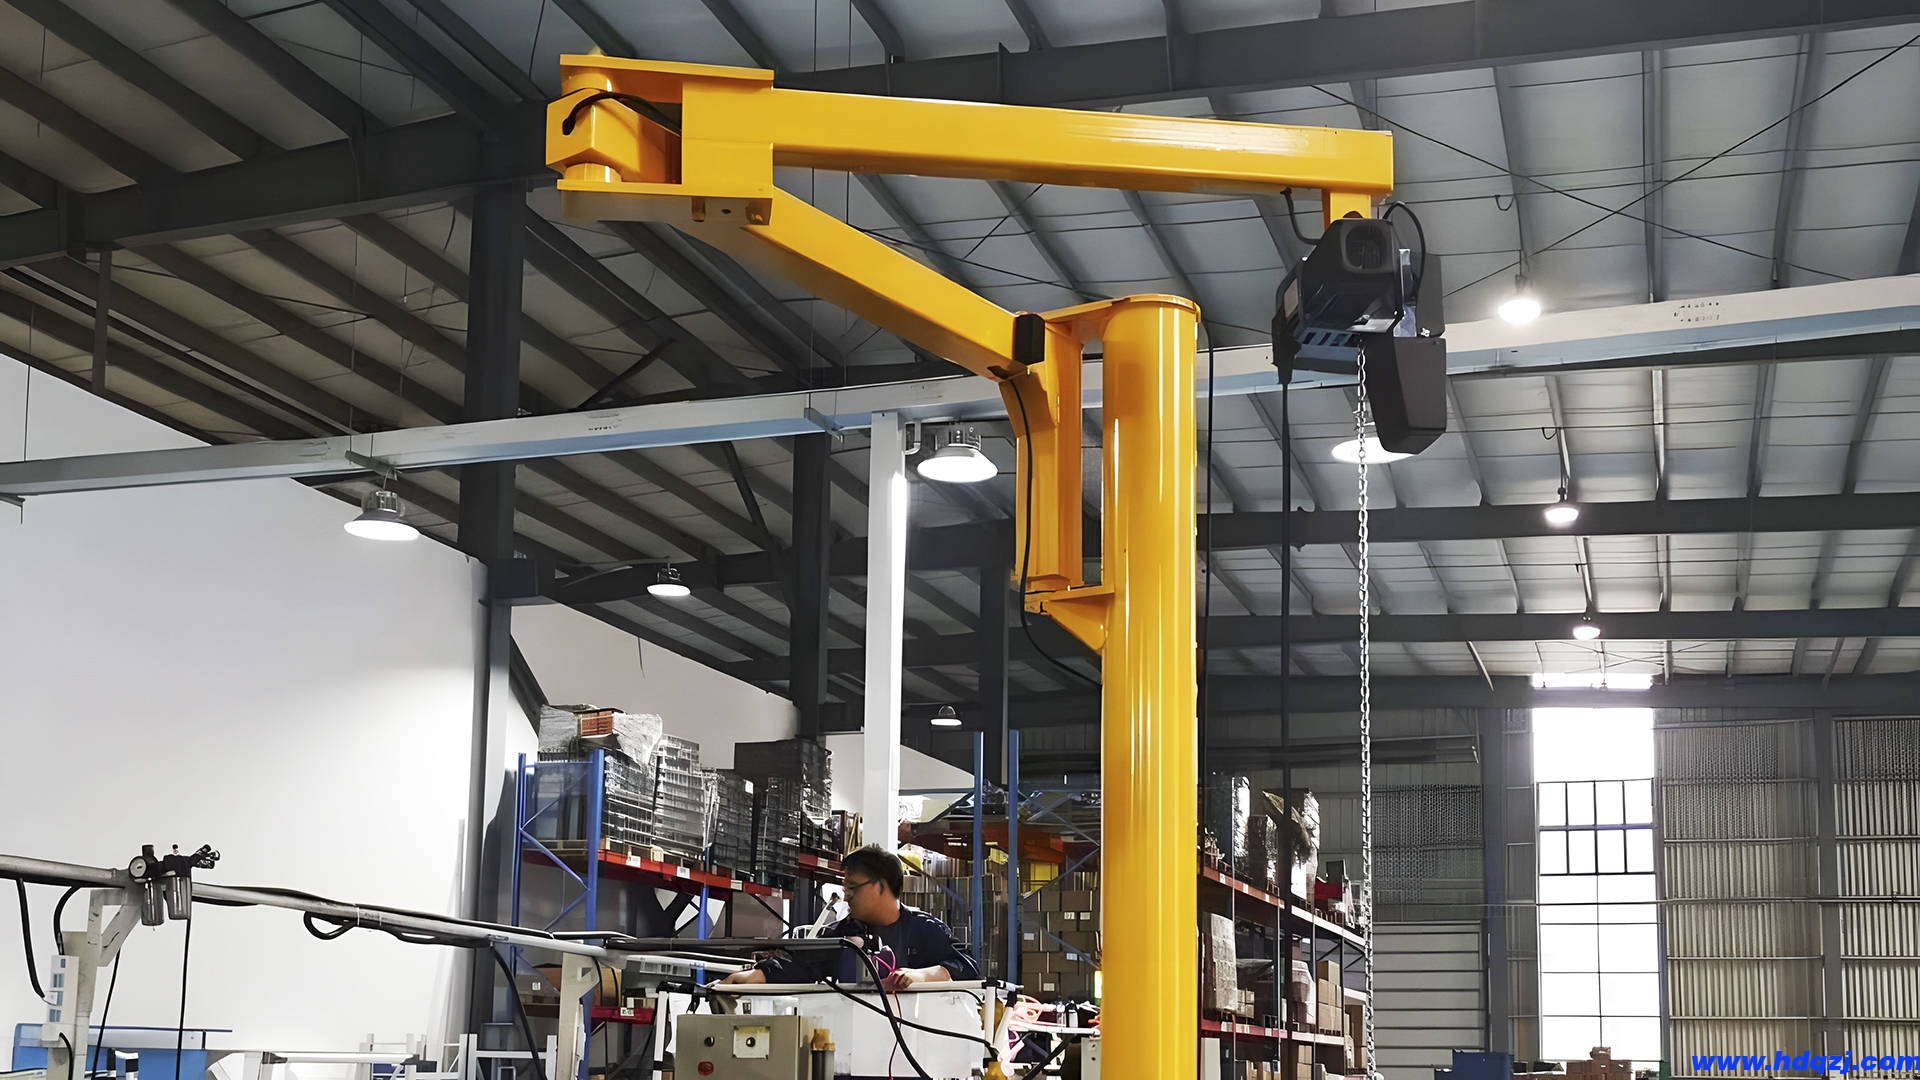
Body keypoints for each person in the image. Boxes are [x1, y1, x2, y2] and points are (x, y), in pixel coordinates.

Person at [721, 845, 977, 991]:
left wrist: (922, 976)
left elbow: (967, 967)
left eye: (853, 887)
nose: (846, 895)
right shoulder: (843, 933)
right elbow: (802, 963)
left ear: (880, 886)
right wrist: (756, 976)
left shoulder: (924, 930)